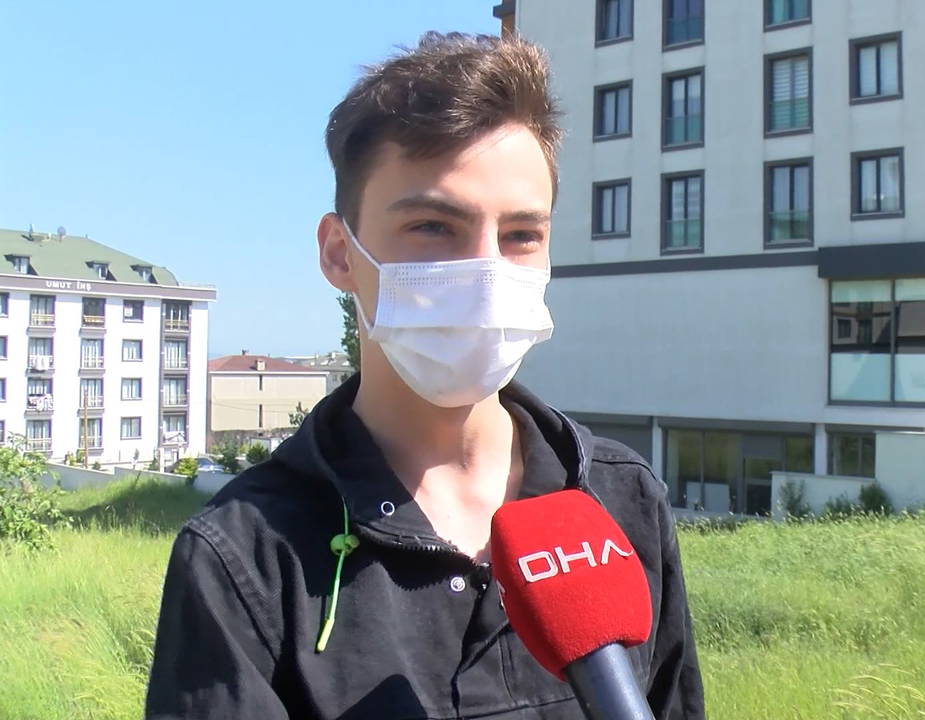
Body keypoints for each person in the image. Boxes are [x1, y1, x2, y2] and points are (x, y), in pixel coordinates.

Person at [145, 31, 704, 719]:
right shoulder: (244, 557)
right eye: (434, 227)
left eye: (522, 235)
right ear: (339, 254)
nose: (486, 273)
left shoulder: (622, 500)